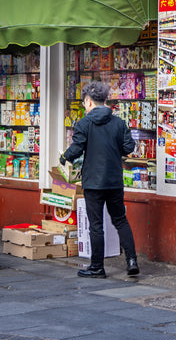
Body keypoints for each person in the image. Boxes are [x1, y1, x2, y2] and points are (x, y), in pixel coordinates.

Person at [58, 81, 139, 279]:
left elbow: (77, 148)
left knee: (96, 225)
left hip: (93, 182)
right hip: (114, 181)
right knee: (120, 220)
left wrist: (64, 157)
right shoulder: (119, 123)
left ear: (88, 101)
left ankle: (97, 267)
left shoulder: (84, 123)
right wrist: (113, 150)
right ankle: (132, 261)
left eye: (84, 102)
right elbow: (129, 147)